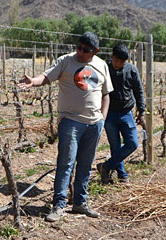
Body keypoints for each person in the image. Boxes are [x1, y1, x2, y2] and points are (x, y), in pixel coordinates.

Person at [18, 31, 112, 222]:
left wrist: (102, 119)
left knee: (86, 165)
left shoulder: (101, 65)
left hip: (94, 124)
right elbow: (46, 77)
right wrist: (32, 82)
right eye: (78, 47)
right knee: (66, 163)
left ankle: (80, 202)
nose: (80, 52)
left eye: (86, 50)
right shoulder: (66, 61)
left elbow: (106, 94)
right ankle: (59, 205)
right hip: (71, 121)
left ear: (96, 51)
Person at [97, 43, 145, 183]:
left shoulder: (131, 70)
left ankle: (105, 166)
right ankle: (122, 175)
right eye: (116, 60)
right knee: (115, 146)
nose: (118, 64)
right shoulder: (103, 68)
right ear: (112, 57)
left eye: (122, 62)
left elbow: (139, 91)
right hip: (109, 113)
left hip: (126, 113)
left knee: (132, 144)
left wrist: (141, 111)